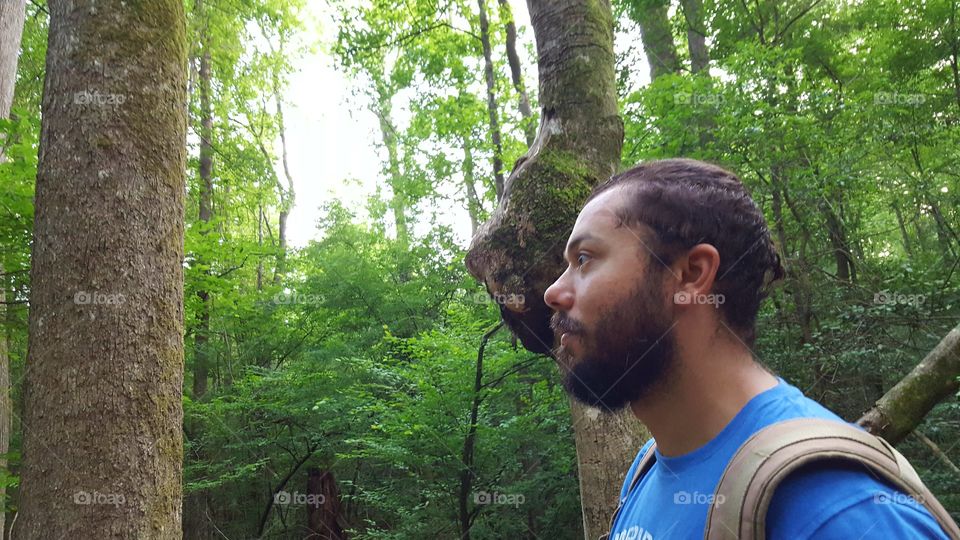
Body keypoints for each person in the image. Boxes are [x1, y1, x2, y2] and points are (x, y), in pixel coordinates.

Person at [543, 159, 955, 539]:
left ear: (690, 275)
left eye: (584, 258)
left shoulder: (840, 510)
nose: (553, 291)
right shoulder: (649, 466)